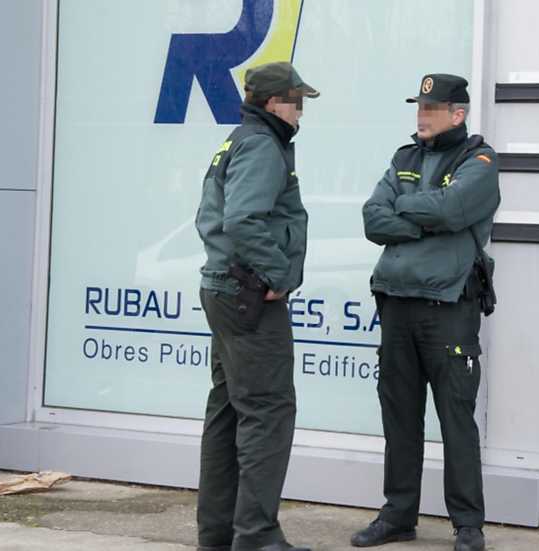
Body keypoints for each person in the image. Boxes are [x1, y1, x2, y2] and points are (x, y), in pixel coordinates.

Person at [353, 73, 500, 551]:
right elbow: (373, 218)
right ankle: (398, 515)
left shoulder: (479, 161)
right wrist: (424, 220)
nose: (422, 115)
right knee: (399, 417)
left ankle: (468, 524)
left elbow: (453, 210)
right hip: (396, 301)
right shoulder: (405, 158)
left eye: (431, 108)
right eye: (419, 106)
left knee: (456, 419)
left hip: (448, 307)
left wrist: (406, 209)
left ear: (457, 114)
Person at [194, 61, 317, 551]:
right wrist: (279, 274)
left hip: (226, 290)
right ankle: (257, 536)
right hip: (248, 296)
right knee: (268, 412)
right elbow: (243, 219)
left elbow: (211, 216)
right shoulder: (263, 145)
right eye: (297, 101)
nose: (301, 111)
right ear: (273, 103)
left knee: (228, 412)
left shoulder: (239, 140)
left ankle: (219, 535)